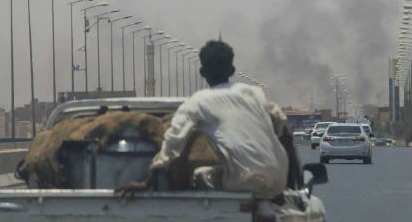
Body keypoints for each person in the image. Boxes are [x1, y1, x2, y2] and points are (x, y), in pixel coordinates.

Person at [118, 40, 291, 199]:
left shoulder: (197, 102)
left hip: (244, 183)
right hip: (280, 180)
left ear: (202, 72)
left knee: (200, 175)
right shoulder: (253, 92)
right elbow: (282, 124)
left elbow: (172, 144)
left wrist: (146, 182)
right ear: (232, 71)